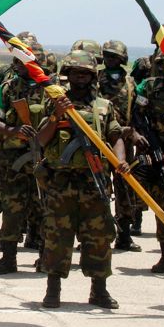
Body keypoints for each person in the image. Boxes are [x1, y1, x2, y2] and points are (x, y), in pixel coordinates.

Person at [37, 50, 129, 309]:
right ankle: (53, 290)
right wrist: (56, 114)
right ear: (67, 75)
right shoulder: (54, 103)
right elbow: (41, 140)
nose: (81, 77)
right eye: (76, 72)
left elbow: (116, 136)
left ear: (93, 77)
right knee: (57, 237)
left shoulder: (104, 106)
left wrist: (119, 159)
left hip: (94, 182)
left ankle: (99, 290)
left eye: (86, 73)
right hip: (61, 182)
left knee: (99, 238)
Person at [0, 40, 49, 274]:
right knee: (12, 208)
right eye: (20, 61)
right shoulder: (8, 88)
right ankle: (8, 258)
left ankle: (46, 256)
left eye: (29, 61)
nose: (24, 66)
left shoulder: (50, 88)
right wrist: (13, 131)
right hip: (12, 159)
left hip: (43, 157)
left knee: (44, 208)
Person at [134, 53, 164, 272]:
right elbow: (137, 113)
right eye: (161, 63)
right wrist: (143, 136)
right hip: (159, 151)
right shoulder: (148, 86)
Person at [98, 40, 142, 252]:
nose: (110, 59)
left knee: (125, 190)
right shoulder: (96, 79)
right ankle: (100, 233)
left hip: (124, 141)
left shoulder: (131, 83)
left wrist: (134, 132)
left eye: (114, 56)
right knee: (102, 188)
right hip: (101, 141)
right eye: (107, 55)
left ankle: (124, 235)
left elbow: (137, 111)